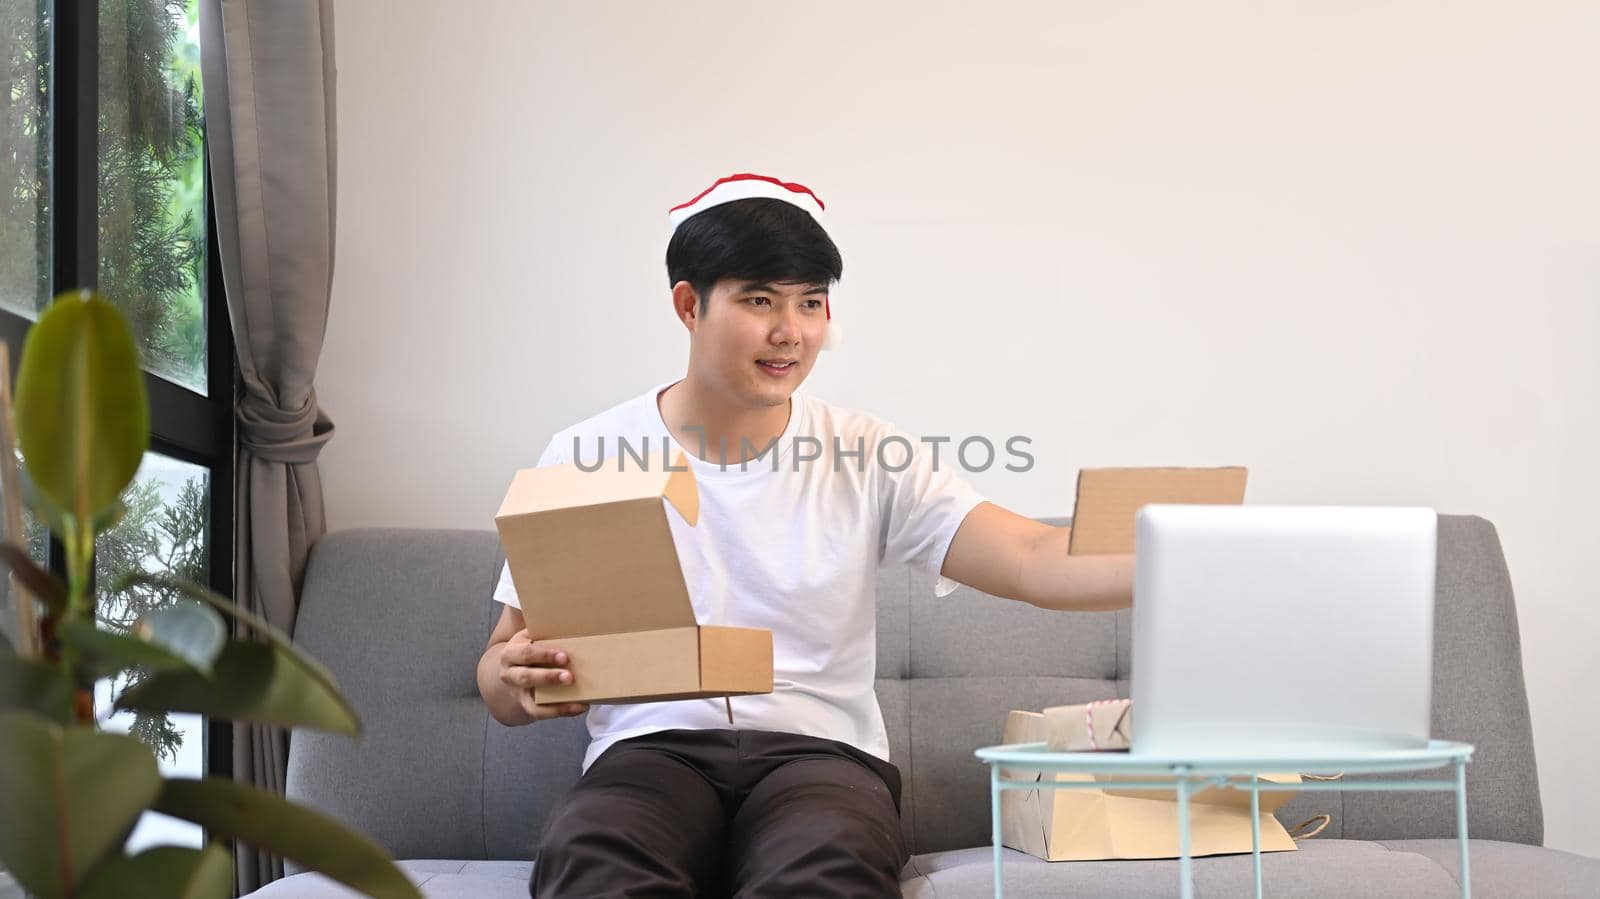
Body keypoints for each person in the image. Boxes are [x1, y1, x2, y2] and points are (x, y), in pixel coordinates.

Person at [475, 172, 1135, 898]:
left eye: (810, 302)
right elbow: (503, 664)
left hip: (820, 755)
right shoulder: (589, 450)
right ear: (689, 305)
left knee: (823, 867)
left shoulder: (867, 451)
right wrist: (513, 681)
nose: (790, 330)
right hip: (650, 752)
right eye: (760, 300)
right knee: (593, 854)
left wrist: (1182, 554)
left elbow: (1032, 556)